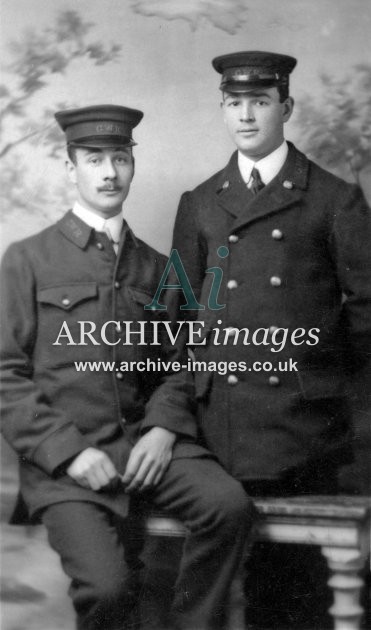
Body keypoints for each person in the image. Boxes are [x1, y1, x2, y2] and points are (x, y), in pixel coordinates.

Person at [0, 104, 255, 630]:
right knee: (108, 586)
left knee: (227, 506)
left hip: (144, 449)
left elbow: (180, 361)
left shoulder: (158, 268)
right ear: (71, 168)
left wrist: (163, 429)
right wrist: (68, 453)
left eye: (120, 158)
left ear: (133, 166)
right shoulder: (27, 259)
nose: (110, 172)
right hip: (67, 468)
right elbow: (4, 373)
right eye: (94, 160)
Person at [170, 52, 371, 628]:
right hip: (222, 427)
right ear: (222, 110)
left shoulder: (335, 200)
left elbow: (366, 319)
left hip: (306, 431)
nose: (247, 116)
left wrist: (328, 391)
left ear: (287, 106)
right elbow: (175, 318)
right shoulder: (200, 203)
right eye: (234, 104)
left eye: (260, 102)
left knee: (291, 593)